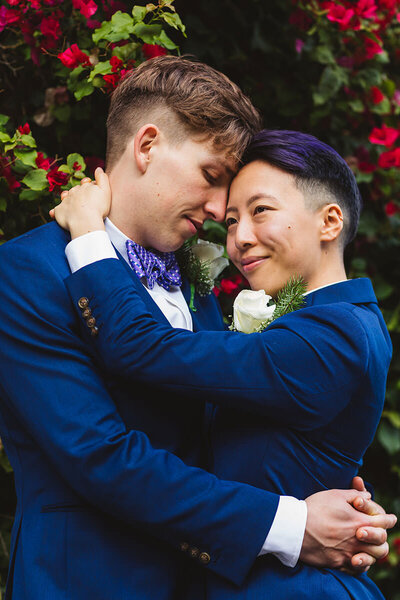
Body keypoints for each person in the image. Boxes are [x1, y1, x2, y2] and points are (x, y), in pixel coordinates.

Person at [0, 56, 393, 600]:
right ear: (147, 146)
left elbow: (230, 429)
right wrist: (295, 525)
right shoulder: (27, 271)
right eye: (212, 178)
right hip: (90, 582)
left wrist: (346, 514)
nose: (217, 211)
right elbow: (100, 455)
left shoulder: (198, 285)